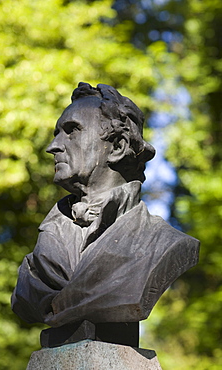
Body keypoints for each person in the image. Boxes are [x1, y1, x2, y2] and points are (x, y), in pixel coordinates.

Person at [11, 83, 199, 329]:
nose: (53, 146)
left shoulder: (161, 243)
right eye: (57, 132)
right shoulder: (45, 241)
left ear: (118, 147)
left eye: (71, 131)